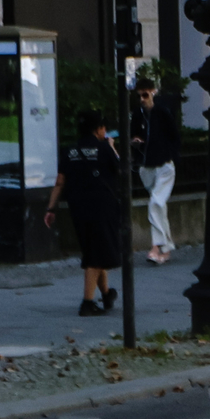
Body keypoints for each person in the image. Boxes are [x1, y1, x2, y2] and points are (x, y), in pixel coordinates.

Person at [46, 110, 126, 315]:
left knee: (94, 250)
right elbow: (122, 170)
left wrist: (51, 208)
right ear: (98, 129)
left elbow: (60, 181)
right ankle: (87, 302)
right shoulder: (103, 148)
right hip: (103, 206)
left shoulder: (69, 151)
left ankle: (107, 294)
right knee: (97, 256)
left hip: (78, 208)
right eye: (103, 127)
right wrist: (112, 148)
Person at [138, 81, 181, 265]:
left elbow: (174, 135)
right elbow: (134, 132)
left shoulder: (163, 112)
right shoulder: (138, 114)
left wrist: (170, 155)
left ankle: (156, 246)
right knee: (159, 205)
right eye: (139, 95)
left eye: (145, 95)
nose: (141, 99)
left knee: (155, 202)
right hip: (147, 165)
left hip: (163, 164)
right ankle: (166, 248)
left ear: (153, 93)